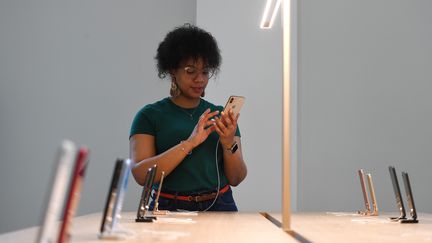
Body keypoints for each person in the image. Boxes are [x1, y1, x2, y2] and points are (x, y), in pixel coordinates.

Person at [129, 24, 247, 212]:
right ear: (172, 71)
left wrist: (228, 142)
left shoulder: (220, 116)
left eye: (205, 71)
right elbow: (141, 175)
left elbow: (237, 178)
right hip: (168, 207)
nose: (199, 79)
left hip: (220, 205)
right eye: (191, 71)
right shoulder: (149, 115)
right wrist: (189, 143)